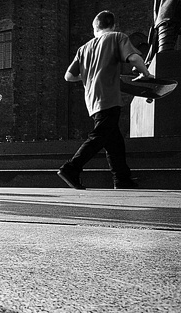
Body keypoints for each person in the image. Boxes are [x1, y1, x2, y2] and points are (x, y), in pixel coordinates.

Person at [58, 10, 153, 190]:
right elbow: (133, 57)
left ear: (95, 27)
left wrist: (88, 76)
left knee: (114, 142)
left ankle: (122, 179)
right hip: (109, 96)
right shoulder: (117, 37)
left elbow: (68, 76)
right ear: (113, 25)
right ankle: (71, 168)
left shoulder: (83, 48)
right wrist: (146, 73)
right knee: (100, 136)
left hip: (92, 100)